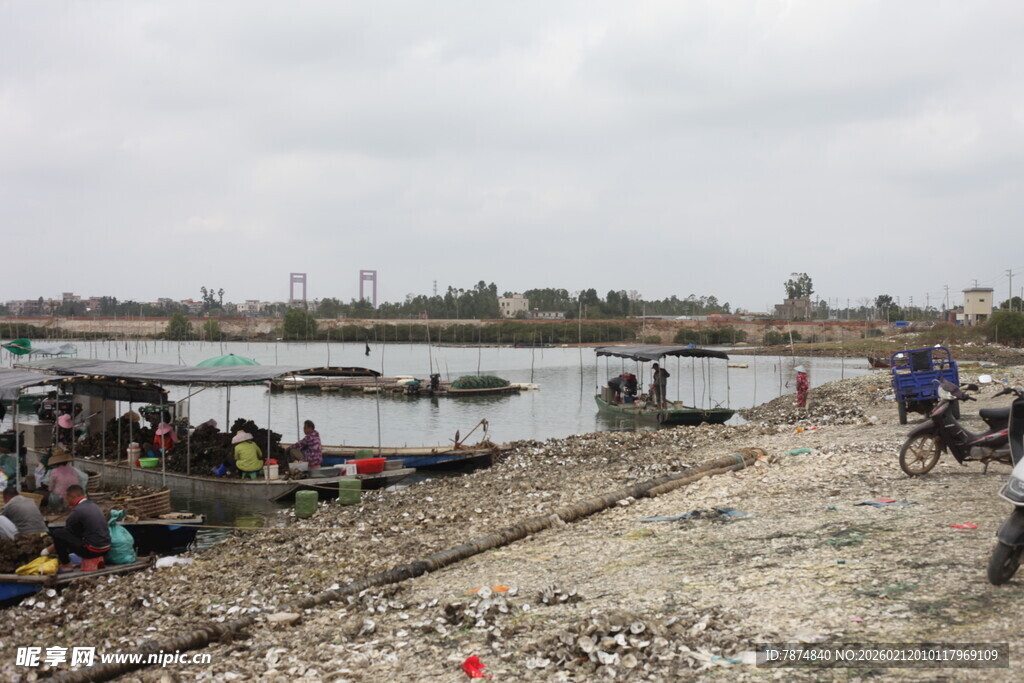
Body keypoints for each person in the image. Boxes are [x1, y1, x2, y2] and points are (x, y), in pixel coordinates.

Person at [43, 485, 110, 571]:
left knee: (58, 533)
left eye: (67, 497)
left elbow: (66, 533)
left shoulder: (77, 511)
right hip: (106, 549)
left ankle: (66, 564)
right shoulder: (94, 506)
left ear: (73, 497)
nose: (66, 500)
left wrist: (48, 550)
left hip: (92, 551)